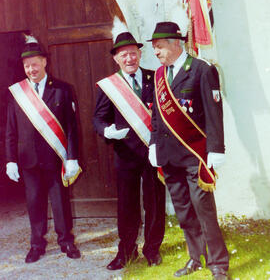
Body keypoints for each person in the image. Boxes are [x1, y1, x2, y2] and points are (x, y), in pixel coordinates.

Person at [147, 22, 229, 280]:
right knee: (183, 211)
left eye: (159, 47)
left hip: (195, 155)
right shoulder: (159, 76)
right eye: (154, 48)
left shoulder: (201, 70)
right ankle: (196, 257)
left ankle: (218, 264)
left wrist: (216, 149)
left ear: (175, 43)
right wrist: (153, 143)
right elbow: (157, 117)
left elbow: (214, 112)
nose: (156, 52)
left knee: (204, 211)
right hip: (169, 157)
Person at [93, 30, 165, 270]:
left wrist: (159, 144)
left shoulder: (154, 78)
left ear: (140, 54)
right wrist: (107, 131)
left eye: (133, 54)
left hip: (152, 153)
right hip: (126, 155)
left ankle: (152, 249)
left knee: (154, 203)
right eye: (124, 55)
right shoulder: (109, 86)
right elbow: (98, 119)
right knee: (127, 205)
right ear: (116, 58)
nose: (129, 59)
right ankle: (126, 251)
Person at [5, 37, 81, 263]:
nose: (31, 69)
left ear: (44, 62)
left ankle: (66, 241)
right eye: (27, 66)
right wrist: (10, 160)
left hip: (55, 158)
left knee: (60, 202)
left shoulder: (63, 90)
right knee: (34, 202)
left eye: (35, 64)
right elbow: (11, 130)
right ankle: (36, 244)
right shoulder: (18, 94)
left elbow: (71, 128)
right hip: (28, 159)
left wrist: (72, 157)